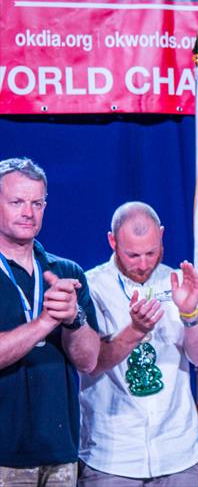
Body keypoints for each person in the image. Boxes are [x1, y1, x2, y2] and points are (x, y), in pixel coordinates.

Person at [78, 201, 198, 486]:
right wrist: (135, 330)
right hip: (112, 455)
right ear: (112, 241)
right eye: (133, 255)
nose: (143, 264)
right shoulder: (91, 287)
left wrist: (190, 315)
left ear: (162, 236)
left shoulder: (180, 282)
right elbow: (91, 364)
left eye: (151, 253)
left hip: (178, 453)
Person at [0, 157, 100, 486]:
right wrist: (45, 322)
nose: (28, 212)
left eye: (37, 203)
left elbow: (88, 361)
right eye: (16, 202)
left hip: (60, 451)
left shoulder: (66, 271)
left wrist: (74, 319)